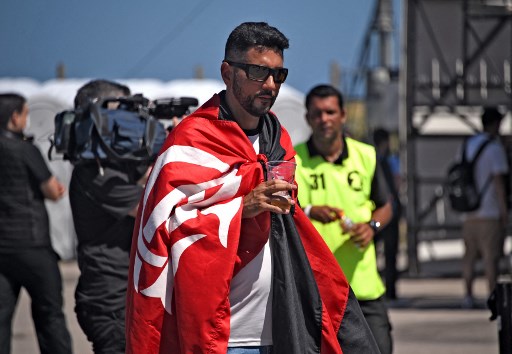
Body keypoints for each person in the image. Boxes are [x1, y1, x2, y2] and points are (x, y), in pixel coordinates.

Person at [126, 22, 379, 354]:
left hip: (283, 327)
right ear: (227, 72)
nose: (271, 85)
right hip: (221, 336)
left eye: (279, 74)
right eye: (258, 72)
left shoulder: (280, 141)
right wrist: (241, 208)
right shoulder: (190, 140)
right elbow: (160, 231)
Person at [294, 84, 394, 354]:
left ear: (343, 115)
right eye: (316, 113)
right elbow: (284, 211)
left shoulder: (367, 155)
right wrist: (309, 209)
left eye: (330, 112)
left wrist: (371, 227)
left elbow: (385, 207)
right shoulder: (293, 159)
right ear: (307, 118)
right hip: (316, 291)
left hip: (364, 289)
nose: (324, 119)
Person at [69, 79, 148, 354]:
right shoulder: (95, 171)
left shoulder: (115, 166)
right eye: (120, 110)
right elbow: (149, 208)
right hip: (109, 303)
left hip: (125, 297)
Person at [0, 93, 72, 354]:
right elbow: (53, 191)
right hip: (32, 245)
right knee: (49, 316)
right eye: (26, 114)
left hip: (2, 249)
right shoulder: (25, 149)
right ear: (14, 116)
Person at [461, 106, 509, 309]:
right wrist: (504, 212)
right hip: (489, 212)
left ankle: (468, 295)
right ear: (496, 124)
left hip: (468, 211)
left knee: (469, 256)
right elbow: (499, 182)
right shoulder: (495, 148)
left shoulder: (467, 145)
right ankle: (493, 296)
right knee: (491, 258)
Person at [373, 127, 402, 300]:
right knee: (391, 253)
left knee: (372, 251)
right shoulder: (391, 160)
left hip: (374, 211)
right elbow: (398, 182)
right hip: (390, 211)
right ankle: (391, 289)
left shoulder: (369, 158)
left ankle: (377, 285)